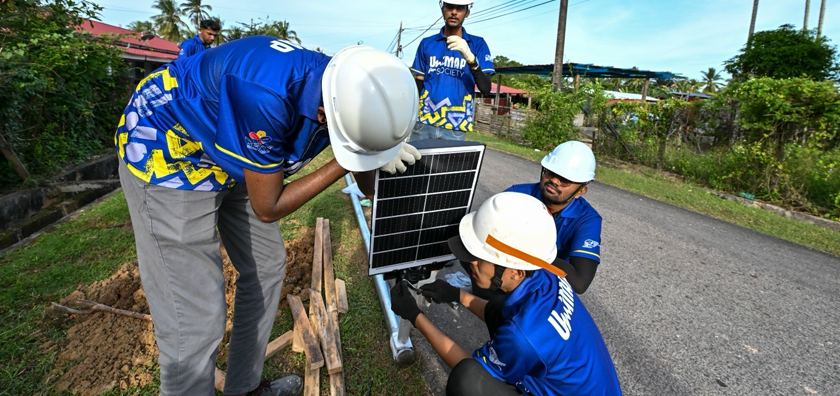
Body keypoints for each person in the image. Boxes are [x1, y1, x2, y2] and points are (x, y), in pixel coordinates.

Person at [116, 36, 421, 396]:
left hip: (232, 148)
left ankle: (243, 389)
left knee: (267, 263)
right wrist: (344, 163)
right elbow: (268, 207)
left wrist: (377, 157)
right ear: (324, 115)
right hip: (169, 146)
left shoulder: (349, 89)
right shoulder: (267, 96)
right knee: (195, 317)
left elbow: (366, 181)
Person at [389, 192, 622, 396]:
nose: (470, 263)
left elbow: (469, 367)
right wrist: (456, 294)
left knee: (468, 381)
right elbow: (499, 311)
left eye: (480, 258)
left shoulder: (524, 336)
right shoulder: (546, 276)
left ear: (516, 271)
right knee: (501, 301)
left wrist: (414, 315)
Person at [505, 141, 601, 294]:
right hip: (507, 265)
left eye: (565, 180)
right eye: (550, 172)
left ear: (580, 191)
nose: (554, 180)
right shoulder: (516, 194)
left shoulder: (587, 220)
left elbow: (580, 282)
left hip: (546, 280)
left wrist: (526, 248)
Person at [410, 0, 494, 140]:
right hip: (423, 124)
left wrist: (470, 58)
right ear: (442, 8)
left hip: (455, 128)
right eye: (449, 6)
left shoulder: (478, 44)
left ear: (467, 12)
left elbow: (486, 89)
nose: (454, 12)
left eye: (460, 8)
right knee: (415, 165)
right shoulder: (427, 43)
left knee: (449, 166)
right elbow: (418, 83)